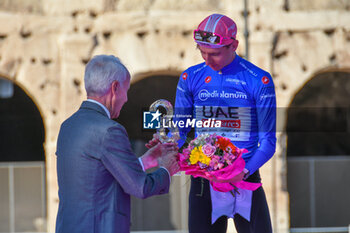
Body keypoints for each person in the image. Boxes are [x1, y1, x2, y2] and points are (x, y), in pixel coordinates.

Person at [55, 55, 179, 233]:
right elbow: (140, 186)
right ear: (114, 88)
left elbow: (96, 176)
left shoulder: (67, 127)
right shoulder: (110, 130)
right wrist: (166, 169)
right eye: (126, 90)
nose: (126, 98)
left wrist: (146, 160)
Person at [175, 14, 276, 233]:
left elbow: (268, 142)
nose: (207, 60)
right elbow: (179, 132)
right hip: (204, 180)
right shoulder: (189, 78)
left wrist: (245, 171)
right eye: (202, 52)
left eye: (215, 53)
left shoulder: (259, 80)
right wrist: (166, 145)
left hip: (245, 177)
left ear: (234, 45)